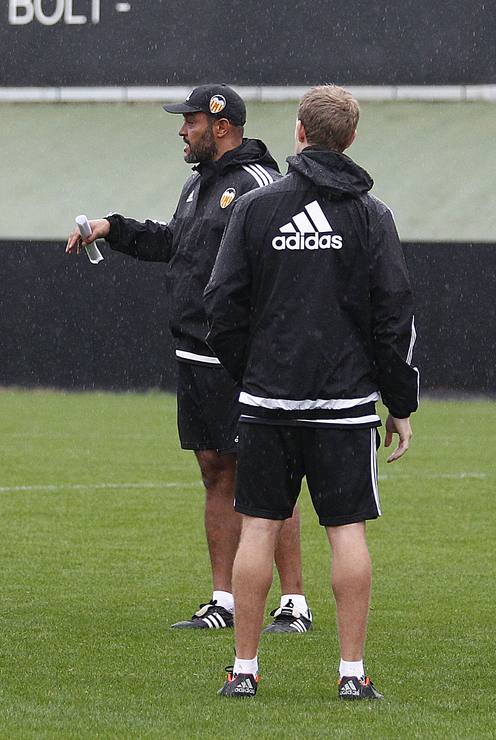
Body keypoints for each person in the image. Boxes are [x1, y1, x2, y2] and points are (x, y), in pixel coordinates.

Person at [67, 85, 310, 633]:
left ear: (220, 125)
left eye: (190, 121)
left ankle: (294, 602)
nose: (182, 130)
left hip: (244, 358)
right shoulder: (197, 184)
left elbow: (288, 260)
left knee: (266, 474)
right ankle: (222, 600)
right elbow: (175, 244)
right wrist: (112, 228)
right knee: (214, 470)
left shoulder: (258, 184)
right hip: (195, 353)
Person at [204, 85, 418, 700]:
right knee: (346, 532)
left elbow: (220, 306)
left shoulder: (256, 207)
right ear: (350, 138)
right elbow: (393, 316)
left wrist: (252, 372)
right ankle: (351, 674)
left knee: (259, 530)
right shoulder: (372, 215)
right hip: (346, 405)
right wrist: (399, 401)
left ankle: (244, 670)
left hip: (269, 400)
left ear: (299, 132)